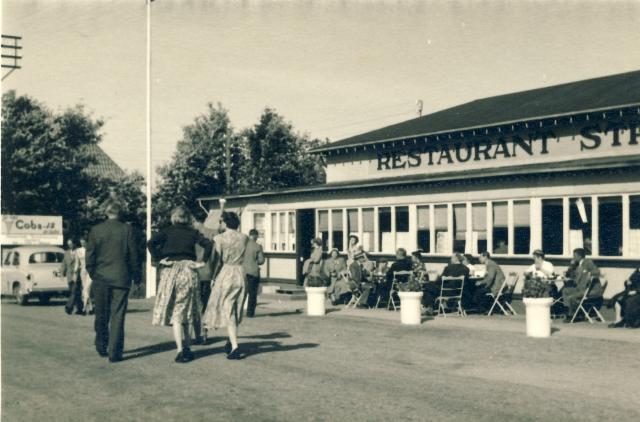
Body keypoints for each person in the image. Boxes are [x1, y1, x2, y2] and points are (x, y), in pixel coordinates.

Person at [148, 206, 213, 363]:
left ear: (174, 217)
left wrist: (158, 259)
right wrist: (201, 262)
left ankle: (179, 349)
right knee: (188, 310)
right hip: (188, 272)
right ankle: (187, 347)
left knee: (176, 313)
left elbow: (150, 243)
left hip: (171, 271)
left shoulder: (167, 231)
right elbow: (209, 244)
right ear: (187, 218)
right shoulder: (193, 232)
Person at [86, 200, 140, 362]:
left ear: (106, 213)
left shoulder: (96, 230)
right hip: (121, 278)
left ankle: (101, 344)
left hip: (101, 278)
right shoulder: (127, 230)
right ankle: (115, 352)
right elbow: (134, 256)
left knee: (101, 313)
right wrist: (137, 277)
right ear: (120, 213)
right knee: (118, 315)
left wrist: (93, 273)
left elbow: (90, 256)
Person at [203, 211, 249, 360]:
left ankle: (234, 346)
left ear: (224, 223)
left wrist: (213, 277)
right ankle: (231, 341)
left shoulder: (219, 238)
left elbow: (216, 260)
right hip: (241, 272)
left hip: (227, 272)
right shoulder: (244, 237)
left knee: (228, 308)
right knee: (237, 306)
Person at [562, 248, 603, 322]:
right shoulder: (577, 265)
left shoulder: (588, 262)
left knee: (572, 297)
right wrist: (571, 266)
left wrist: (590, 274)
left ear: (579, 256)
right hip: (580, 288)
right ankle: (568, 312)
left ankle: (573, 315)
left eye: (574, 256)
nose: (573, 258)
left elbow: (597, 272)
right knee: (565, 291)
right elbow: (570, 275)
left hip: (589, 290)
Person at [243, 228, 265, 318]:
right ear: (256, 236)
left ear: (249, 235)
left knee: (242, 292)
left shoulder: (243, 245)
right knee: (252, 293)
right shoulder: (258, 246)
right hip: (253, 272)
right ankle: (250, 313)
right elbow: (261, 260)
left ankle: (238, 310)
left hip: (243, 271)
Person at [60, 238, 83, 316]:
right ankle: (80, 308)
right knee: (76, 292)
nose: (70, 245)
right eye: (68, 244)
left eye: (71, 244)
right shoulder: (66, 253)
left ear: (74, 244)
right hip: (69, 276)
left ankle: (69, 307)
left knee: (74, 291)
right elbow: (64, 264)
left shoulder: (79, 252)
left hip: (77, 275)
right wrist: (62, 273)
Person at [76, 237, 94, 315]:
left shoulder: (91, 250)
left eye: (84, 242)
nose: (82, 243)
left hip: (90, 271)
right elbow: (77, 263)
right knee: (86, 289)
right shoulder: (78, 251)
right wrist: (75, 272)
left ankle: (83, 308)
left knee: (86, 288)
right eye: (81, 242)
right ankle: (91, 308)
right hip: (83, 271)